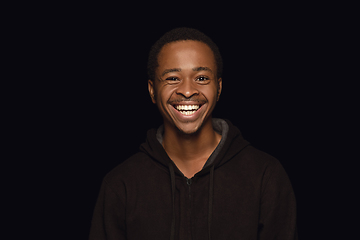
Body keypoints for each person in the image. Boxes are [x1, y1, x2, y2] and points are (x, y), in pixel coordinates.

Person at [89, 27, 298, 240]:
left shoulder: (265, 175)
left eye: (201, 78)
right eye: (172, 78)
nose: (187, 91)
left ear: (219, 87)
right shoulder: (121, 184)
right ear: (152, 90)